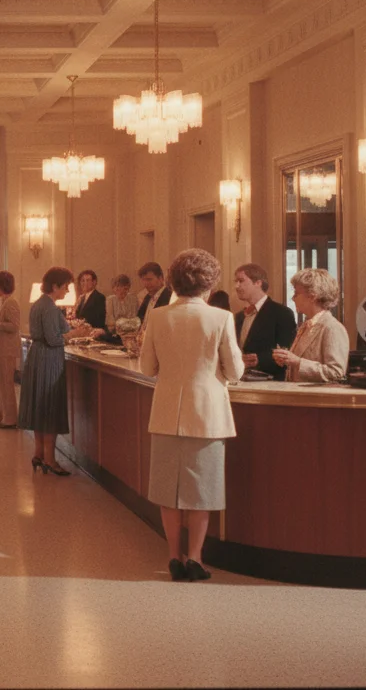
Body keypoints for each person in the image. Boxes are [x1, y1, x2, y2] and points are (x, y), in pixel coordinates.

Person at [139, 248, 243, 582]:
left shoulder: (157, 317)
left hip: (168, 408)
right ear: (209, 283)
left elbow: (147, 367)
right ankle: (195, 557)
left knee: (168, 488)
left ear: (173, 281)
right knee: (202, 489)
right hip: (208, 413)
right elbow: (236, 370)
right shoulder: (221, 318)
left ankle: (172, 555)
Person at [18, 266, 77, 476]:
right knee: (49, 409)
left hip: (37, 358)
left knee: (39, 407)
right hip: (49, 360)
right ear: (56, 286)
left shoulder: (39, 305)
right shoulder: (50, 308)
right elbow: (55, 339)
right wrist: (74, 334)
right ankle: (50, 459)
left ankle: (39, 453)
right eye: (66, 286)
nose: (68, 291)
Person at [272, 268, 349, 383]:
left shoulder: (332, 327)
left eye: (296, 293)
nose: (293, 298)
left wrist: (297, 362)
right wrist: (287, 361)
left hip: (317, 400)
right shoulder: (307, 326)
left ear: (312, 297)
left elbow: (336, 372)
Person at [232, 263, 297, 381]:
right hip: (241, 382)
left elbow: (289, 350)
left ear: (258, 283)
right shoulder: (239, 316)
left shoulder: (282, 313)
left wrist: (260, 359)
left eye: (241, 281)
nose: (236, 286)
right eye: (235, 281)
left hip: (271, 384)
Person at [0, 270, 21, 428]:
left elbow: (14, 326)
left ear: (1, 286)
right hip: (1, 348)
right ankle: (2, 414)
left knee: (7, 384)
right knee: (1, 384)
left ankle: (11, 418)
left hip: (7, 349)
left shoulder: (11, 302)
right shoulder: (3, 301)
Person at [136, 261, 172, 325]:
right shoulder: (148, 297)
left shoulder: (169, 296)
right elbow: (139, 319)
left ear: (160, 278)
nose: (146, 283)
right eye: (143, 280)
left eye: (149, 279)